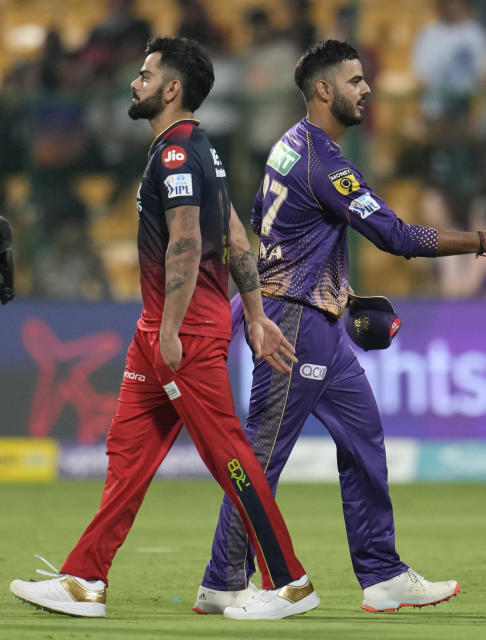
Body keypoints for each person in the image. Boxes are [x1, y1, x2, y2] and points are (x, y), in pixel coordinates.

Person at [193, 39, 486, 615]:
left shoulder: (287, 145)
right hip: (294, 322)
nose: (367, 89)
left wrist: (337, 287)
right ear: (324, 90)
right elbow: (396, 237)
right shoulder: (325, 163)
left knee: (364, 440)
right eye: (355, 80)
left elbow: (263, 225)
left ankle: (382, 576)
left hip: (318, 317)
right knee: (261, 457)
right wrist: (481, 242)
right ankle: (224, 579)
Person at [9, 37, 321, 621]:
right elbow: (233, 239)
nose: (135, 81)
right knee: (127, 454)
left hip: (181, 334)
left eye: (146, 73)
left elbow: (185, 241)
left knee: (228, 454)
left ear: (171, 89)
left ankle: (290, 583)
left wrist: (173, 329)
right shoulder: (202, 151)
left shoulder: (177, 155)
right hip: (160, 330)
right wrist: (252, 317)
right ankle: (84, 580)